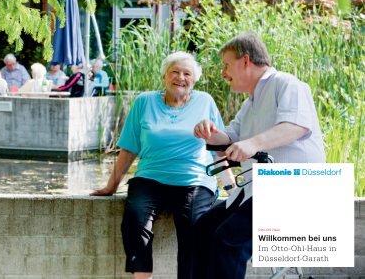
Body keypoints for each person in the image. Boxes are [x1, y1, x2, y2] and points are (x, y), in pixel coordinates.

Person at [192, 32, 325, 279]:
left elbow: (296, 126)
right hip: (261, 193)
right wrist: (210, 133)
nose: (223, 73)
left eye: (226, 65)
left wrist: (253, 144)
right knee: (203, 229)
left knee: (228, 240)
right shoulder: (250, 102)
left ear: (245, 61)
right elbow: (230, 137)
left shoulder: (288, 84)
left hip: (298, 191)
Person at [91, 52, 224, 279]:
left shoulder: (205, 101)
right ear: (164, 75)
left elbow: (219, 144)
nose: (180, 77)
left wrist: (231, 184)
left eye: (187, 73)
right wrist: (111, 185)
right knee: (134, 218)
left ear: (194, 79)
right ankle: (142, 277)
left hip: (194, 180)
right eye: (175, 71)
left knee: (195, 225)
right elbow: (129, 148)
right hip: (150, 178)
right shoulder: (145, 101)